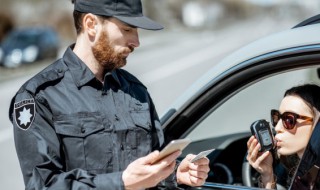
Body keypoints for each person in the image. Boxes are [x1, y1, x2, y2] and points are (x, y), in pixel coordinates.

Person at [8, 0, 210, 189]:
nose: (136, 41)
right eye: (127, 29)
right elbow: (43, 185)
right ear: (91, 24)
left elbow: (149, 165)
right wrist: (121, 183)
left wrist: (174, 173)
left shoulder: (136, 91)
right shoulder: (39, 96)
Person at [246, 84, 320, 189]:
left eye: (289, 120)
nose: (277, 128)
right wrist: (267, 176)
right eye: (277, 117)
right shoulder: (305, 172)